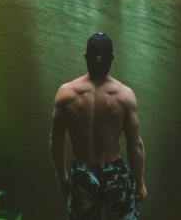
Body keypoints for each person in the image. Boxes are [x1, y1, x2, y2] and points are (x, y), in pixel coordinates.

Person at [49, 32, 147, 220]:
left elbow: (56, 139)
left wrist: (62, 178)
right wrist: (140, 183)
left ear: (86, 56)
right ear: (112, 58)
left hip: (82, 175)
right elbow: (135, 145)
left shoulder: (66, 93)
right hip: (114, 175)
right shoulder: (124, 96)